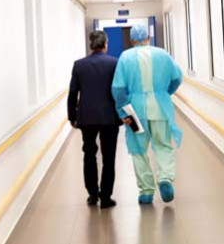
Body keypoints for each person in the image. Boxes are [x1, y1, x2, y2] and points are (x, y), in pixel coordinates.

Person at [111, 24, 183, 204]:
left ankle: (146, 191)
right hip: (160, 108)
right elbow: (177, 78)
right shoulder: (162, 54)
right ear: (148, 38)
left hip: (135, 112)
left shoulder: (125, 57)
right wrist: (164, 93)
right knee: (163, 144)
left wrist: (122, 110)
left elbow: (118, 88)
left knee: (138, 149)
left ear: (132, 40)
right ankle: (165, 178)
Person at [67, 30, 122, 209]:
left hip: (87, 117)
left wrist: (72, 116)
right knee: (109, 156)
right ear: (105, 44)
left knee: (89, 154)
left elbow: (73, 93)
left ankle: (92, 194)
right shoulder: (114, 63)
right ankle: (105, 197)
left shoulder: (79, 65)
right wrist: (123, 113)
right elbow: (119, 90)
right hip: (109, 116)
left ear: (91, 45)